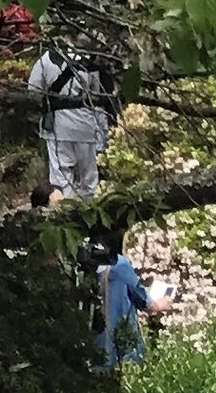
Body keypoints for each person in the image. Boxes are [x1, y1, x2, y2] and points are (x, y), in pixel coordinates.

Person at [30, 36, 114, 202]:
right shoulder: (88, 61)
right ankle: (89, 208)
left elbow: (33, 90)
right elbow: (98, 94)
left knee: (60, 175)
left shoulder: (46, 59)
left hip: (57, 127)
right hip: (85, 125)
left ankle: (64, 208)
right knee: (88, 174)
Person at [92, 240, 179, 369]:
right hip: (112, 340)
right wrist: (159, 304)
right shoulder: (119, 264)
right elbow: (144, 300)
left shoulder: (77, 261)